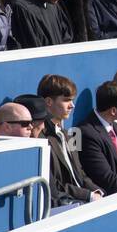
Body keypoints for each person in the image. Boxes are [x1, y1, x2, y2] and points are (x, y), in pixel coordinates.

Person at [36, 73, 103, 206]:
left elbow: (81, 173)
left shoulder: (70, 134)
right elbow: (54, 185)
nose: (72, 105)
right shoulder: (40, 138)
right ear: (48, 102)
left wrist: (97, 191)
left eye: (72, 100)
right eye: (66, 100)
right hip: (66, 205)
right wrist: (88, 195)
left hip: (84, 200)